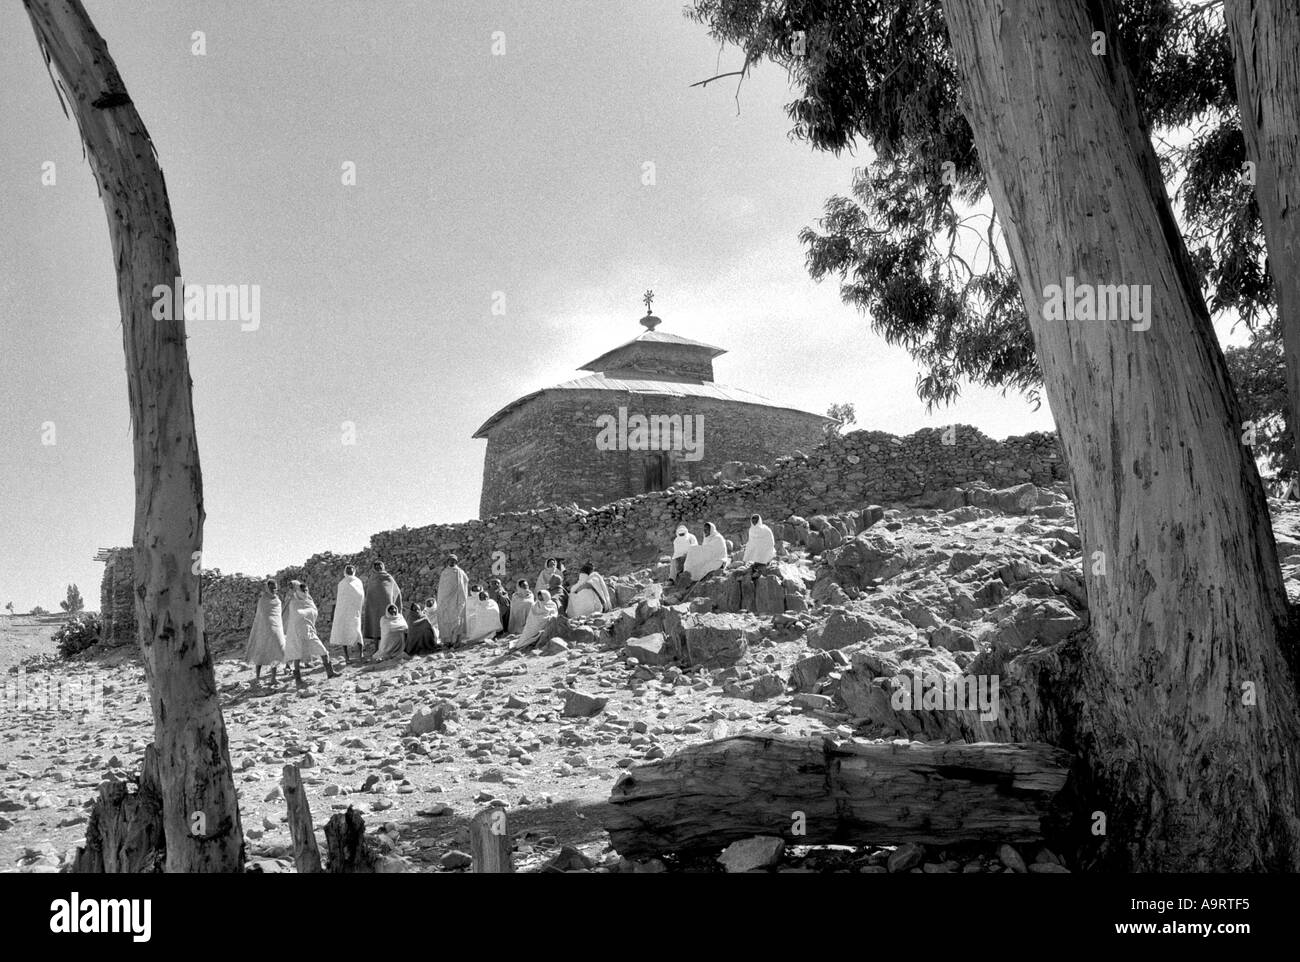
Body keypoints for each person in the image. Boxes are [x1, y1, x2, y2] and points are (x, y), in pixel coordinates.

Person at [283, 581, 338, 686]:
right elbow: (295, 616)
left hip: (309, 631)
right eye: (302, 590)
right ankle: (298, 680)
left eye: (306, 590)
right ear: (298, 591)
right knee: (297, 655)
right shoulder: (293, 601)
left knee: (323, 650)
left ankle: (330, 672)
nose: (305, 592)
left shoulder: (309, 601)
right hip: (297, 632)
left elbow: (314, 613)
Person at [246, 579, 286, 686]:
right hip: (263, 630)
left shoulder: (277, 599)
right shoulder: (263, 600)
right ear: (267, 588)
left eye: (275, 587)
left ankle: (273, 678)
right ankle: (257, 678)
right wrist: (266, 625)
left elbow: (277, 614)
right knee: (261, 651)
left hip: (276, 628)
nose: (274, 589)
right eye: (271, 587)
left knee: (276, 650)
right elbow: (261, 615)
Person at [362, 561, 402, 659]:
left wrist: (395, 602)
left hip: (387, 607)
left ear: (383, 566)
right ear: (373, 567)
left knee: (388, 628)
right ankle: (376, 649)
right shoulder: (372, 579)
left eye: (380, 565)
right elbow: (369, 594)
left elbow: (396, 591)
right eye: (376, 565)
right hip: (375, 609)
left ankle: (388, 649)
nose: (378, 567)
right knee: (376, 628)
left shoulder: (389, 577)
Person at [328, 564, 365, 665]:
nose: (350, 570)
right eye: (348, 569)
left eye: (351, 569)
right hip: (343, 612)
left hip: (354, 611)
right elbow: (340, 600)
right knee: (344, 632)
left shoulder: (358, 582)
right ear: (345, 571)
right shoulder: (342, 584)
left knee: (357, 631)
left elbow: (361, 595)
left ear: (354, 570)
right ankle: (347, 657)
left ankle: (361, 654)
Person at [437, 555, 469, 649]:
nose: (452, 562)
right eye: (450, 560)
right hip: (446, 601)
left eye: (454, 560)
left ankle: (456, 641)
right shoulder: (444, 573)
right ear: (447, 562)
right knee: (446, 620)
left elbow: (465, 582)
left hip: (457, 600)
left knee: (457, 619)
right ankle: (447, 641)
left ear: (456, 562)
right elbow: (442, 588)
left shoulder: (460, 572)